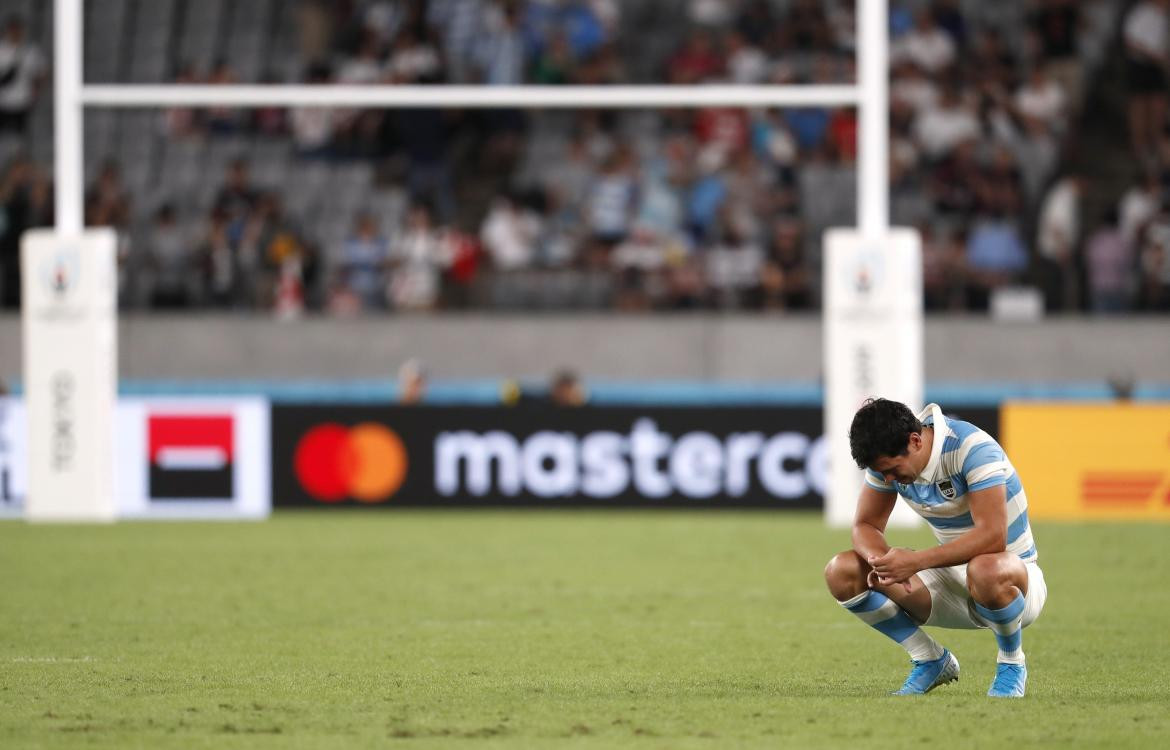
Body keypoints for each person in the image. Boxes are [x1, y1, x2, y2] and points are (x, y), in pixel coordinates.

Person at [824, 398, 1045, 698]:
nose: (888, 480)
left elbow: (994, 537)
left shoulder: (972, 449)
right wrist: (884, 563)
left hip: (1014, 582)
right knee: (843, 571)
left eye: (891, 470)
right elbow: (865, 526)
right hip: (950, 580)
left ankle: (1011, 663)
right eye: (882, 473)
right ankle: (929, 659)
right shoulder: (888, 458)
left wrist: (915, 562)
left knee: (985, 568)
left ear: (915, 441)